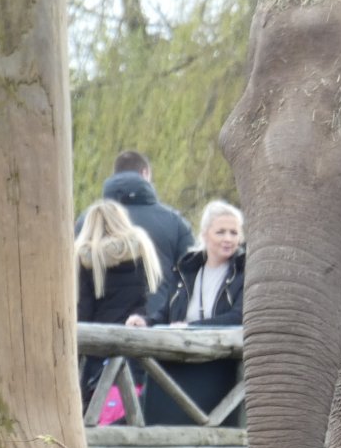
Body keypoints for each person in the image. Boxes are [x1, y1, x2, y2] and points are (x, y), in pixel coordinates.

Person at [127, 200, 245, 425]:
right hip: (177, 362)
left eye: (234, 232)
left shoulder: (244, 271)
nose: (228, 239)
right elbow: (168, 313)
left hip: (218, 366)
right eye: (221, 232)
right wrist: (146, 321)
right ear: (205, 234)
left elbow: (238, 317)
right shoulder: (187, 269)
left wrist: (191, 329)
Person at [75, 199, 163, 415]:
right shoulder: (141, 252)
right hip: (135, 347)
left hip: (99, 351)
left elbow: (84, 313)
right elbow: (148, 301)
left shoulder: (87, 259)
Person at [82, 150, 193, 319]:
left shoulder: (87, 223)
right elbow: (190, 275)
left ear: (115, 174)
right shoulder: (175, 222)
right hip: (155, 324)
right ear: (145, 173)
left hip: (94, 331)